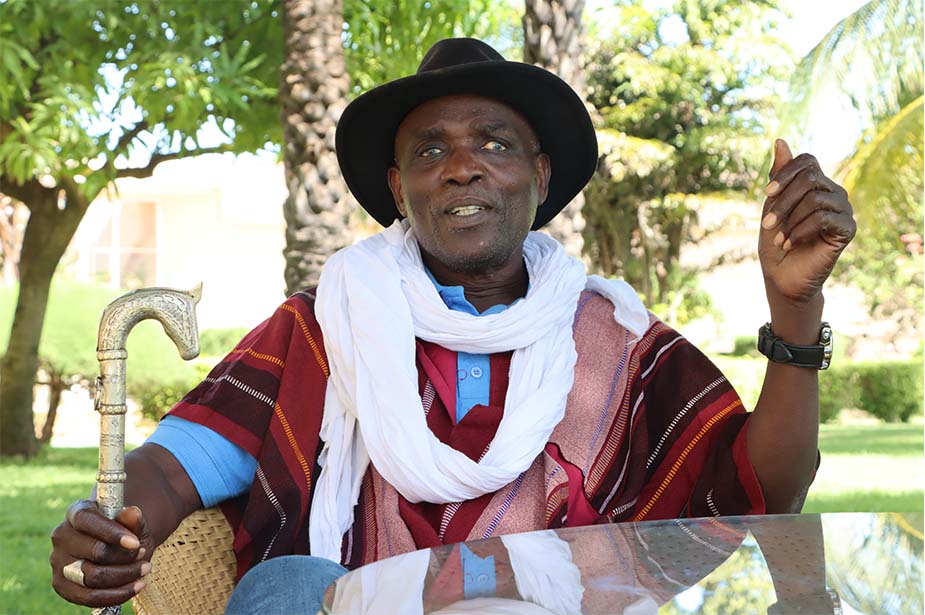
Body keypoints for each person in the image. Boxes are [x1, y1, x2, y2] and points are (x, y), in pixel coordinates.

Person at [50, 38, 856, 612]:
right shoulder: (323, 326)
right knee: (287, 585)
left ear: (539, 175)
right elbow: (174, 465)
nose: (461, 165)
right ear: (400, 189)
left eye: (493, 143)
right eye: (430, 150)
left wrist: (794, 310)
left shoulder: (615, 340)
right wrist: (114, 532)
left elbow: (765, 489)